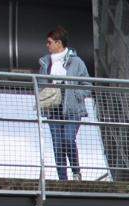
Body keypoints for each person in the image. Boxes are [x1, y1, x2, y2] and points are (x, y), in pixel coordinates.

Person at [38, 27, 90, 181]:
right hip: (53, 109)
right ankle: (63, 179)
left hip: (72, 109)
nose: (47, 45)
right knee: (57, 145)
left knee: (68, 139)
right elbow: (40, 84)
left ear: (58, 43)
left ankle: (76, 171)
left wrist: (75, 95)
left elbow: (87, 85)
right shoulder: (45, 63)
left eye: (49, 42)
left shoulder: (76, 62)